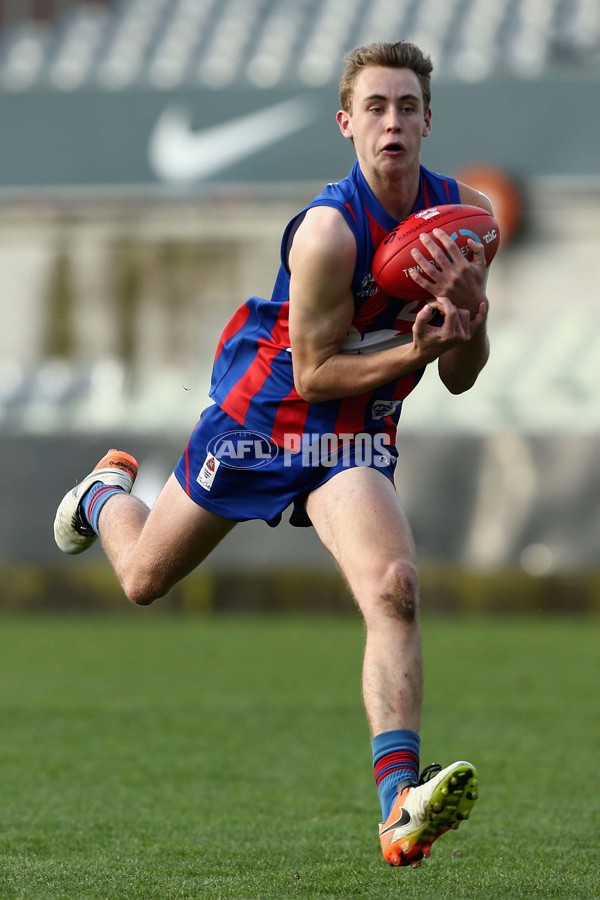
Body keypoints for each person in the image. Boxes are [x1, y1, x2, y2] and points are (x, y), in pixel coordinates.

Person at [54, 40, 489, 868]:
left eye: (406, 107)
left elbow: (463, 377)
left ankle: (399, 804)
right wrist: (416, 352)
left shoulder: (463, 219)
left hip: (351, 440)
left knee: (395, 588)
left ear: (429, 120)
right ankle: (106, 493)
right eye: (375, 108)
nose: (391, 122)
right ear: (346, 124)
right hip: (264, 421)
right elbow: (317, 373)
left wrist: (472, 314)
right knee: (144, 580)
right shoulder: (329, 232)